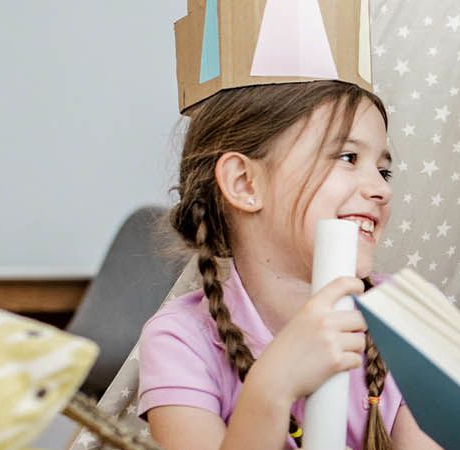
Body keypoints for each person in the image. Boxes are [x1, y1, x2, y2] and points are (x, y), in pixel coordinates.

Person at [135, 79, 439, 450]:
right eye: (348, 158)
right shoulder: (180, 341)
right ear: (245, 182)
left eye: (383, 170)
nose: (381, 189)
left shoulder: (405, 316)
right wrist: (273, 386)